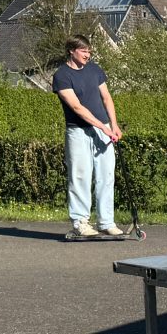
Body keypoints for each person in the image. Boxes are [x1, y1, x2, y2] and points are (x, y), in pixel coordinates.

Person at [52, 34, 123, 237]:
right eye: (83, 51)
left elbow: (106, 97)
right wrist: (103, 127)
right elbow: (76, 107)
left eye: (89, 51)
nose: (87, 55)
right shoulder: (62, 75)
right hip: (78, 131)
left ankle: (106, 221)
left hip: (104, 129)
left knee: (106, 175)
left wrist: (114, 125)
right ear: (71, 51)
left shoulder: (95, 70)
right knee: (80, 176)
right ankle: (80, 222)